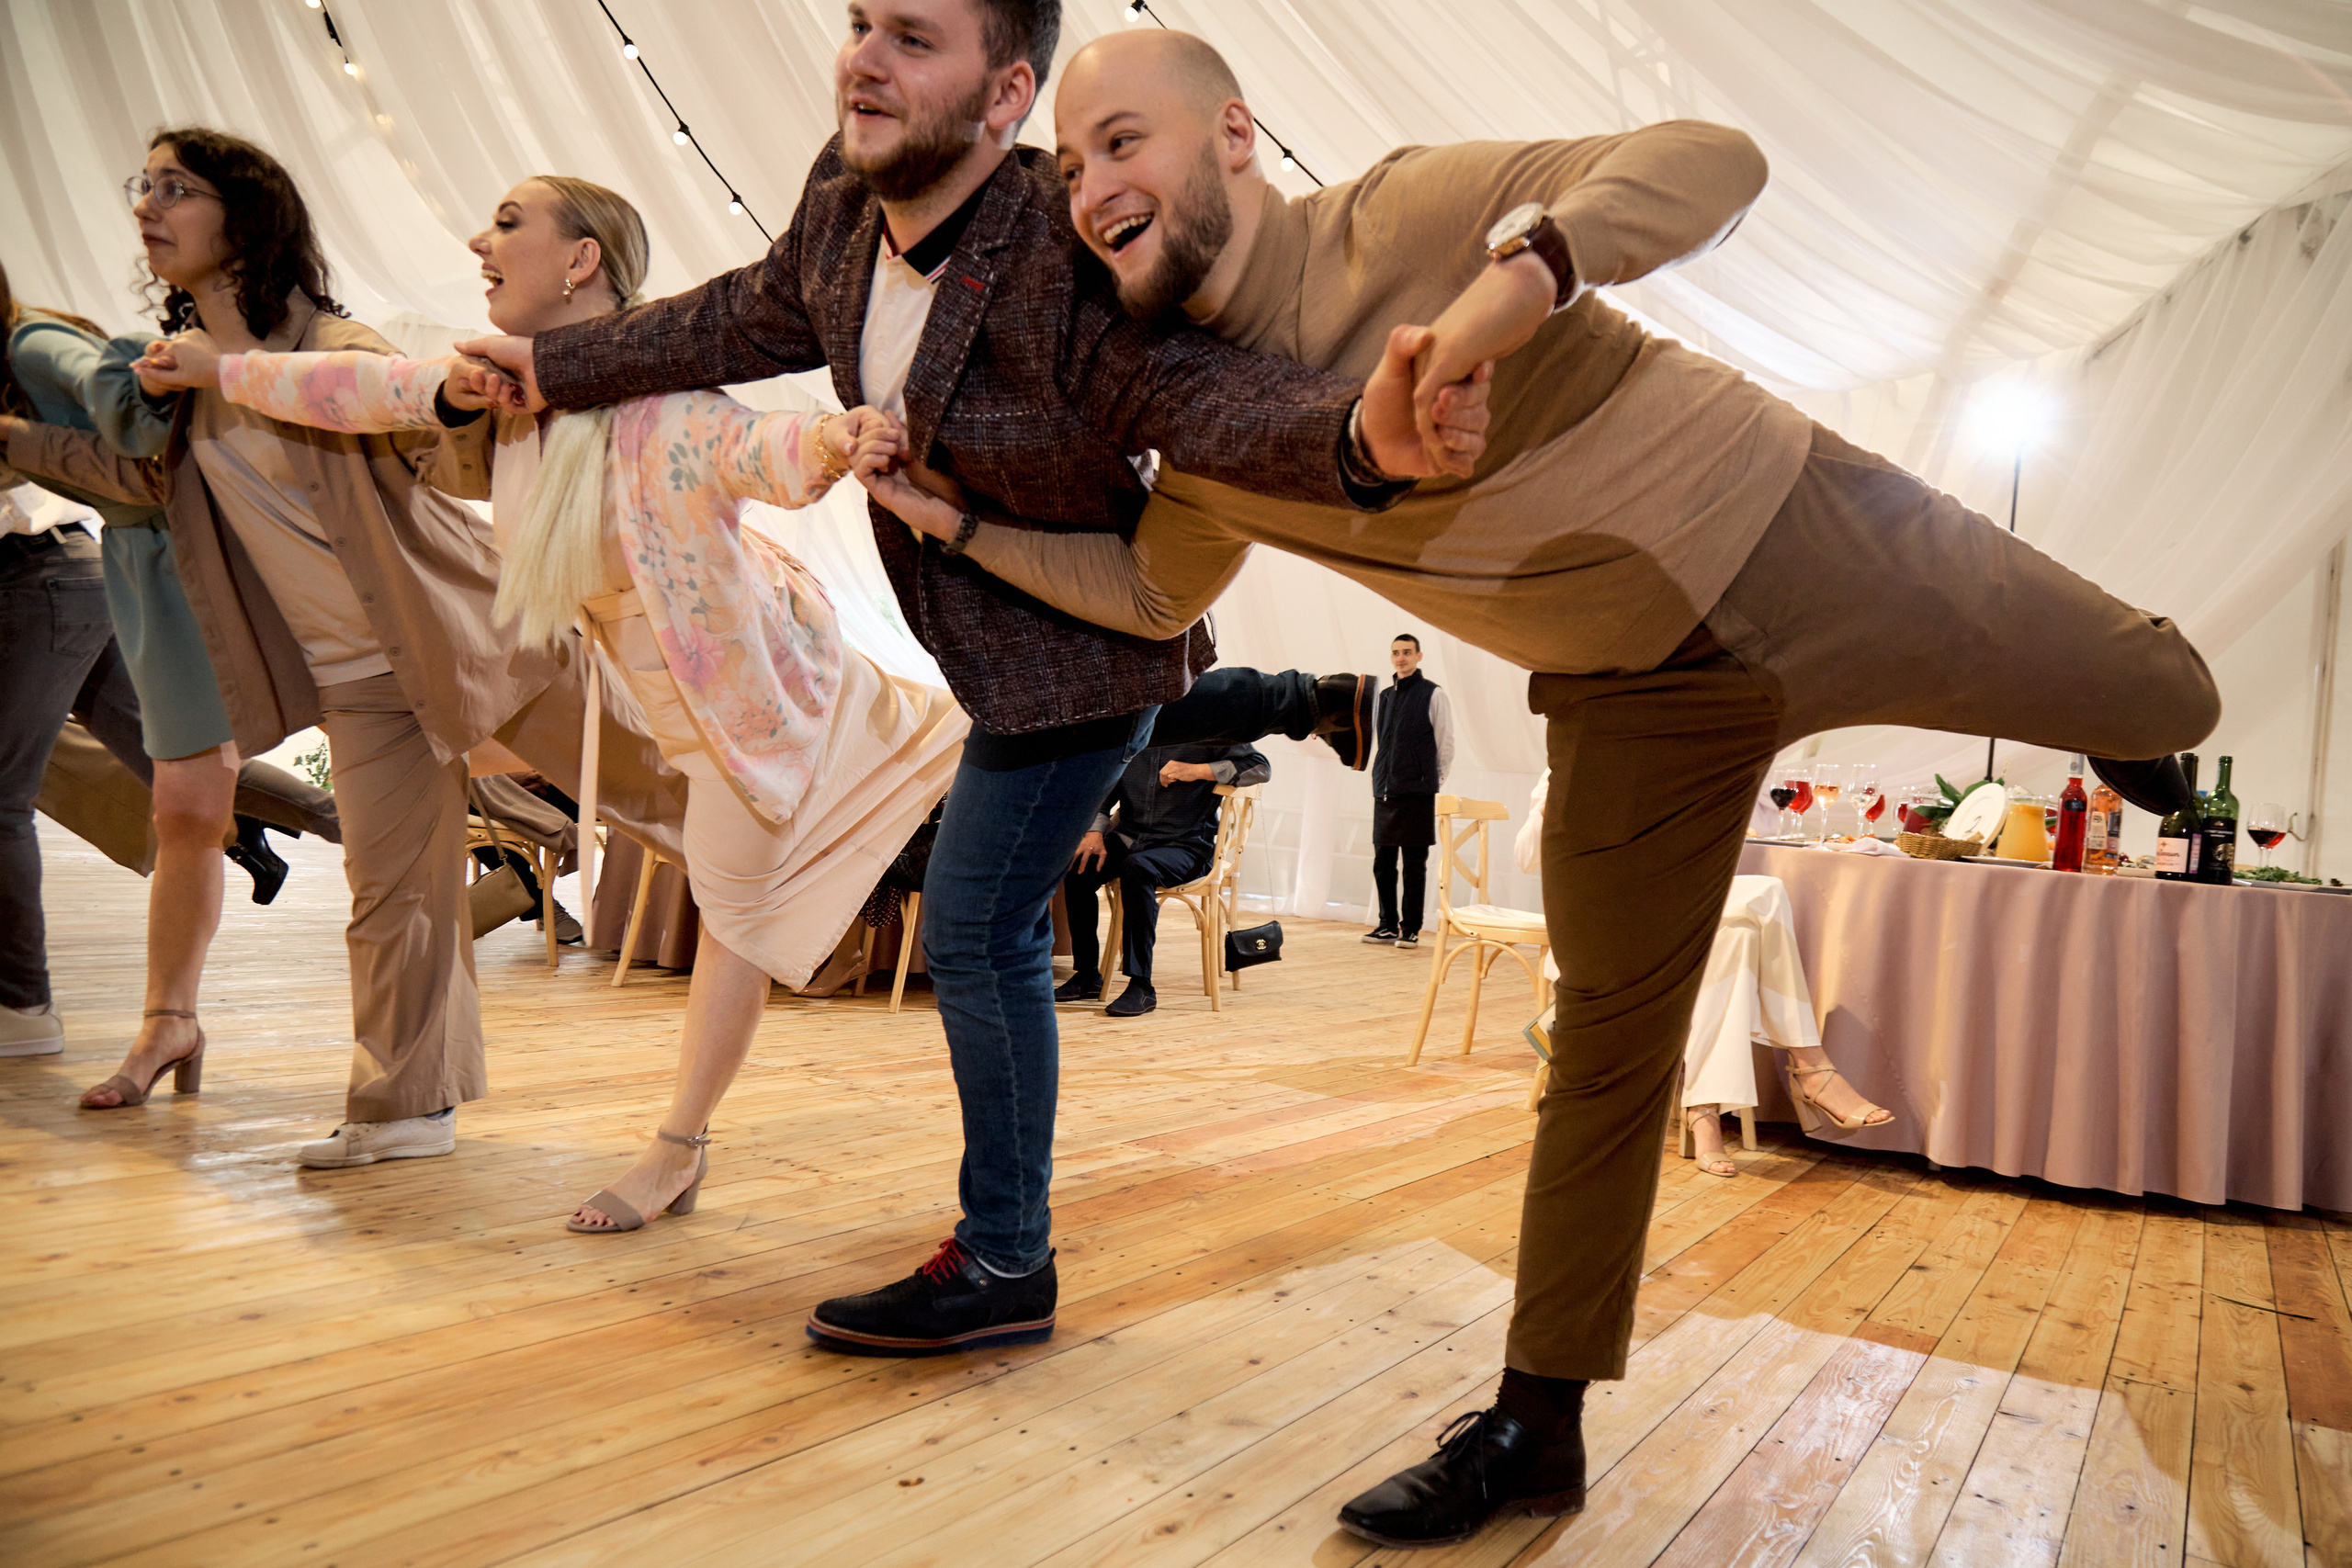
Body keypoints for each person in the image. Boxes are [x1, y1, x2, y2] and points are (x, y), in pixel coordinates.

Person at [865, 27, 2220, 1544]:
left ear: (1235, 136)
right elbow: (1135, 587)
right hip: (1643, 700)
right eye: (1069, 164)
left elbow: (1719, 158)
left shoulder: (1401, 216)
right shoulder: (1217, 437)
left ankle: (2116, 714)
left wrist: (1502, 299)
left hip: (1811, 536)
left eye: (1125, 139)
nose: (1091, 180)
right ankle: (1537, 1419)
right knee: (1604, 1051)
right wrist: (954, 525)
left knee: (2173, 690)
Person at [458, 0, 1486, 1356]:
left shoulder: (1054, 255)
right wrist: (550, 362)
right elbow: (731, 320)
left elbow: (1195, 394)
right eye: (861, 21)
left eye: (914, 37)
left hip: (1082, 650)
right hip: (983, 651)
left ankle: (1005, 1256)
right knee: (980, 925)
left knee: (976, 928)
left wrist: (1356, 439)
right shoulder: (841, 202)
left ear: (1007, 98)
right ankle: (1006, 1242)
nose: (865, 57)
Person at [143, 173, 967, 1232]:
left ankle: (675, 1151)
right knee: (740, 923)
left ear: (582, 261)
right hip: (699, 725)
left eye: (509, 223)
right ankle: (685, 1143)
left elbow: (766, 448)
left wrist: (844, 440)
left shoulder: (660, 405)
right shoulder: (507, 399)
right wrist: (220, 369)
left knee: (742, 927)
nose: (479, 238)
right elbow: (352, 392)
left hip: (776, 715)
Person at [0, 129, 685, 1165]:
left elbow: (427, 415)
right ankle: (407, 1106)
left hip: (478, 641)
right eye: (143, 185)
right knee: (392, 898)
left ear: (246, 217)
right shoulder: (188, 386)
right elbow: (131, 477)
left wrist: (460, 398)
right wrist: (11, 441)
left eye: (175, 187)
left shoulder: (331, 348)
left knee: (674, 799)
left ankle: (871, 874)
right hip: (362, 684)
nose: (148, 204)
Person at [1, 264, 340, 1077]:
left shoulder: (31, 343)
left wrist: (144, 383)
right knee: (181, 789)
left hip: (103, 568)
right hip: (110, 570)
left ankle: (21, 1006)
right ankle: (170, 1018)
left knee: (31, 792)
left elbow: (114, 389)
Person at [1059, 739, 1268, 1017]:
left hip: (1186, 847)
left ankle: (1141, 986)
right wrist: (1095, 832)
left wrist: (1198, 770)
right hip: (1130, 838)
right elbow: (1103, 786)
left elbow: (1260, 768)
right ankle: (1087, 976)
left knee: (1137, 868)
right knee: (1079, 868)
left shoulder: (1210, 729)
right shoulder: (1133, 733)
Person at [1364, 633, 1452, 950]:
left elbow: (1445, 743)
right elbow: (1368, 733)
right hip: (1385, 791)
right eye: (1395, 653)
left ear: (1419, 656)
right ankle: (1386, 925)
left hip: (1417, 792)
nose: (1401, 658)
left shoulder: (1433, 694)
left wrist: (1431, 781)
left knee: (1415, 864)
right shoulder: (1384, 696)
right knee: (1383, 863)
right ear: (1391, 657)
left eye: (1407, 652)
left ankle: (1411, 928)